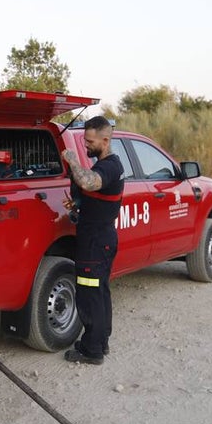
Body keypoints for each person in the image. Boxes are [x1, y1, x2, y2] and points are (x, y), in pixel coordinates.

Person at [61, 115, 125, 364]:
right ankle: (101, 341)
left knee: (89, 295)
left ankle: (92, 350)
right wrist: (78, 203)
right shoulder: (105, 165)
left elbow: (88, 182)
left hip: (96, 241)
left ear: (105, 141)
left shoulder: (109, 167)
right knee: (99, 291)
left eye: (89, 141)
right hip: (101, 238)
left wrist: (73, 161)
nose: (85, 145)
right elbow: (92, 191)